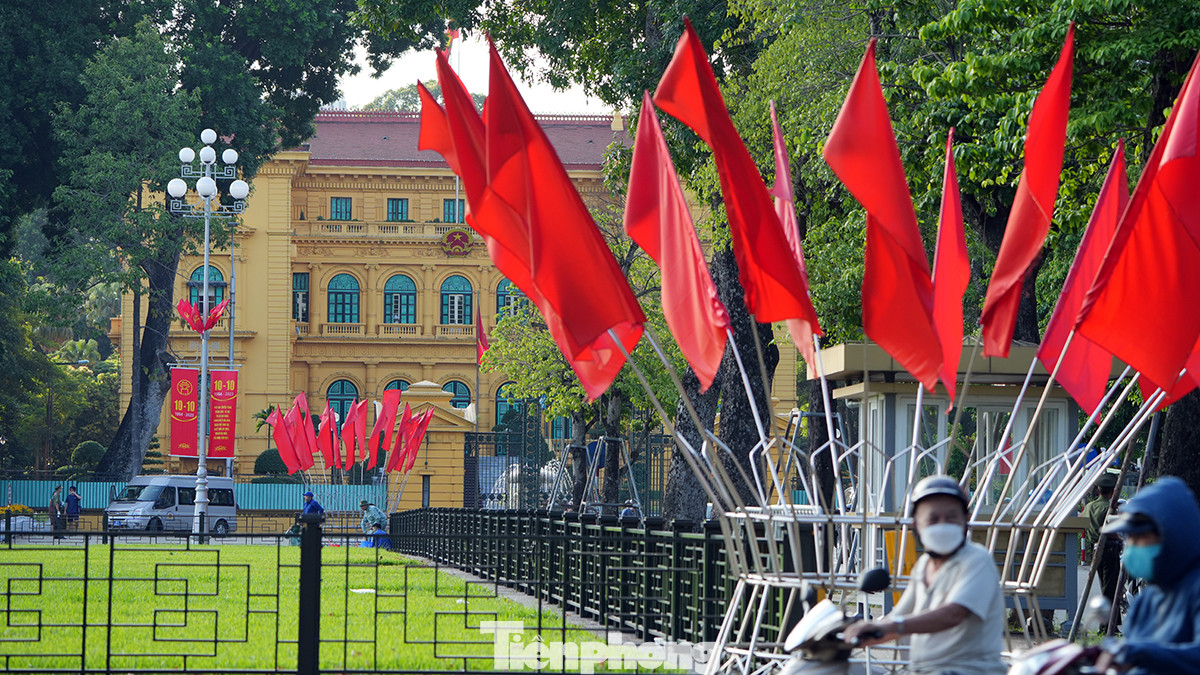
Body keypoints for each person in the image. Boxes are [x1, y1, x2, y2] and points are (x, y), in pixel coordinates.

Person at [844, 475, 1006, 675]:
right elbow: (898, 618)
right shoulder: (923, 565)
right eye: (933, 519)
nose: (943, 525)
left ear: (965, 520)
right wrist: (857, 633)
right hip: (922, 670)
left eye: (951, 517)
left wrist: (893, 626)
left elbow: (953, 613)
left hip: (967, 670)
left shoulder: (976, 560)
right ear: (916, 524)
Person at [1095, 477, 1200, 673]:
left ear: (1171, 536)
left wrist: (1141, 652)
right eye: (1130, 538)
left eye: (1141, 537)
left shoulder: (1195, 589)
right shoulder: (1147, 601)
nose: (1132, 547)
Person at [1083, 471, 1123, 631]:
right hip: (1110, 549)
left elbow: (1081, 521)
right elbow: (1111, 530)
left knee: (1106, 587)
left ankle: (1110, 626)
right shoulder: (1110, 508)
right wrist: (1121, 539)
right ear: (1113, 491)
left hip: (1095, 549)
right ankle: (1107, 626)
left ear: (1098, 491)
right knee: (1111, 589)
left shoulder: (1090, 506)